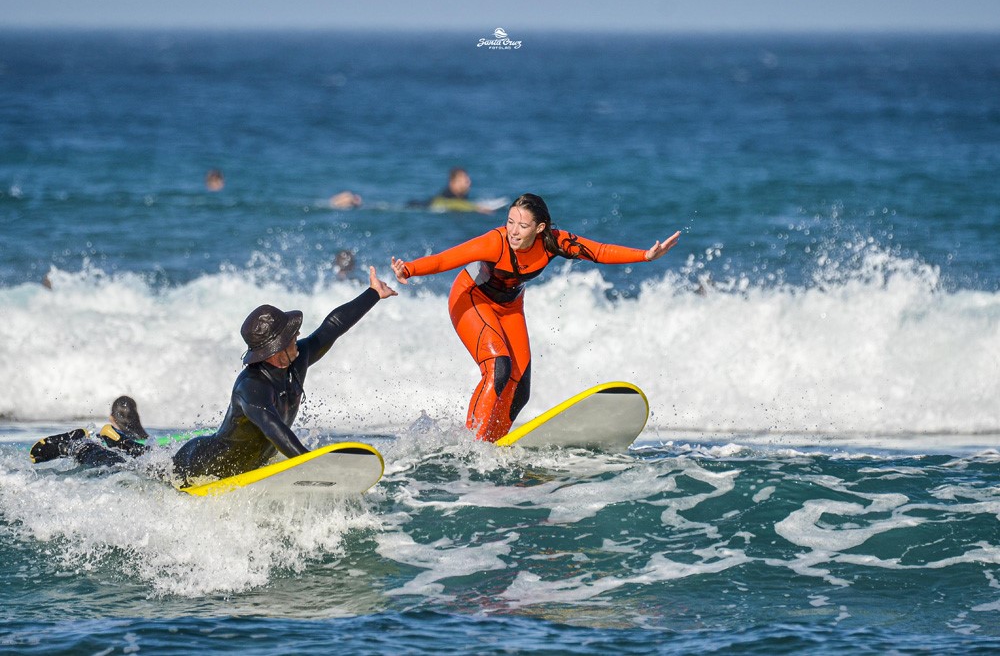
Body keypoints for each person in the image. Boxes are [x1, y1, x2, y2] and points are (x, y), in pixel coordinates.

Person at [30, 266, 398, 487]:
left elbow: (330, 328)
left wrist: (372, 294)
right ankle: (78, 444)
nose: (297, 339)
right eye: (290, 337)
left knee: (145, 456)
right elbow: (273, 427)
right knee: (134, 469)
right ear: (272, 350)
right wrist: (310, 463)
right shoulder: (251, 387)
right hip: (200, 465)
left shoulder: (296, 359)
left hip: (241, 464)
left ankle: (123, 434)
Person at [390, 193, 680, 442]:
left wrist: (645, 256)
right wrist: (409, 270)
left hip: (510, 306)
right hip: (471, 298)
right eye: (510, 222)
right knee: (498, 368)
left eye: (523, 225)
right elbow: (446, 258)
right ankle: (472, 443)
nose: (514, 231)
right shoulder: (495, 242)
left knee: (520, 390)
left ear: (540, 228)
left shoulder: (553, 242)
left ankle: (493, 441)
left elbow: (598, 251)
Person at [425, 167, 497, 214]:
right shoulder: (444, 197)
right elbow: (450, 204)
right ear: (453, 182)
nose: (469, 183)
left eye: (468, 180)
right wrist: (476, 208)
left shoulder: (462, 198)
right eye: (465, 181)